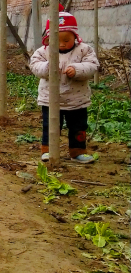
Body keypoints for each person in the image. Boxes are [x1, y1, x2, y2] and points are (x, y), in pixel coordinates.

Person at [29, 9, 99, 163]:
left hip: (77, 99)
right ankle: (48, 150)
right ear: (48, 39)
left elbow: (93, 65)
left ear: (75, 36)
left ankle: (78, 151)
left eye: (66, 40)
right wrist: (47, 68)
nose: (61, 44)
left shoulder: (84, 50)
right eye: (56, 40)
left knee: (78, 127)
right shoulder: (44, 51)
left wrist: (77, 70)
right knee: (51, 127)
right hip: (51, 99)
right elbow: (34, 65)